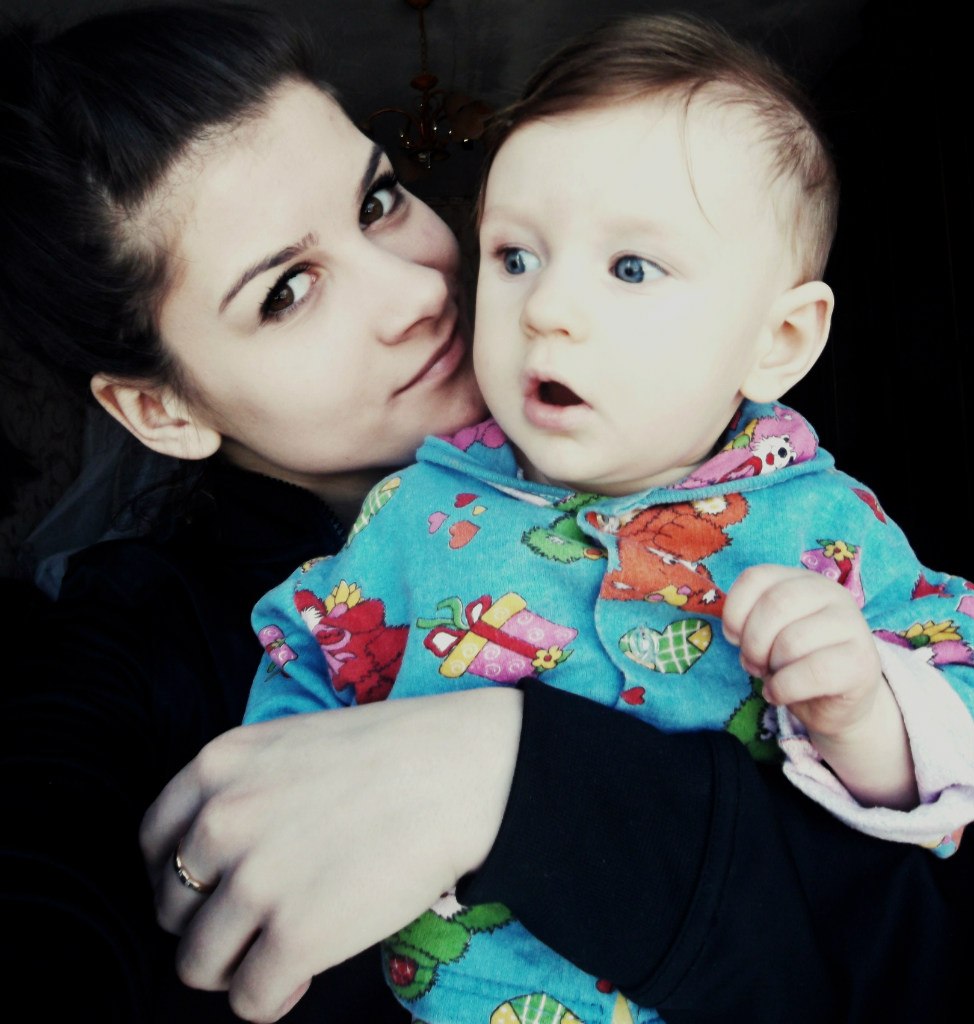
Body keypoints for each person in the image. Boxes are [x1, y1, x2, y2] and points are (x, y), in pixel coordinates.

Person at [0, 5, 968, 1024]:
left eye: (378, 201)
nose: (419, 289)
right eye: (286, 291)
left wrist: (516, 773)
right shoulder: (128, 655)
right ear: (160, 408)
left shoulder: (787, 504)